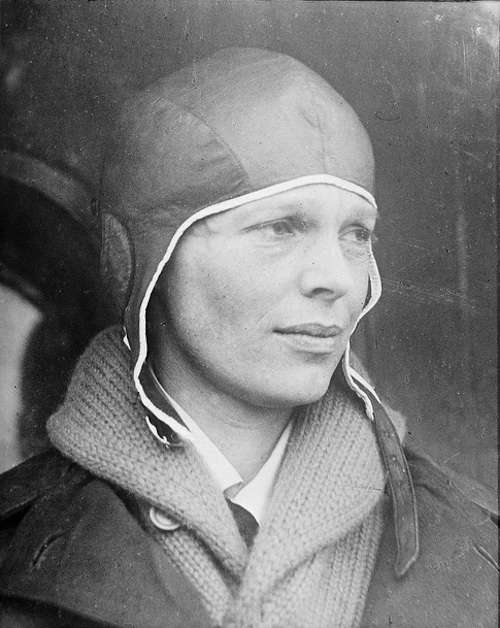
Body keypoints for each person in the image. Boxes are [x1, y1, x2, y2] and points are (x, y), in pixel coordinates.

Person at [0, 47, 497, 628]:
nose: (337, 279)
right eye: (280, 227)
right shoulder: (15, 552)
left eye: (357, 234)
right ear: (146, 263)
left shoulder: (477, 546)